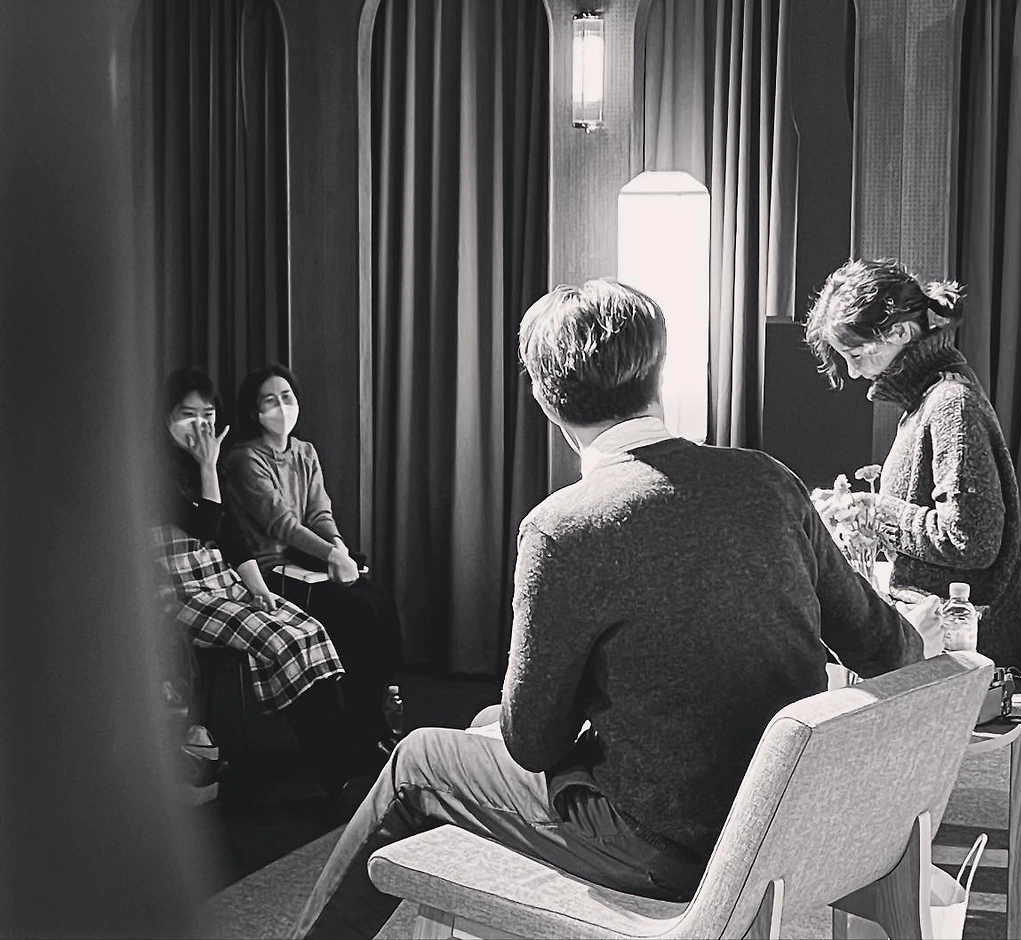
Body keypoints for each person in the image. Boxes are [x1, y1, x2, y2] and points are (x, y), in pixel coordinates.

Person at [290, 279, 943, 939]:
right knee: (485, 728)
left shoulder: (565, 528)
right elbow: (890, 648)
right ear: (659, 372)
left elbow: (532, 743)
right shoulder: (768, 480)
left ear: (545, 396)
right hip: (784, 827)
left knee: (418, 760)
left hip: (668, 848)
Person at [806, 257, 1021, 670]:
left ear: (900, 332)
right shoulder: (928, 400)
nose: (853, 373)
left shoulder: (951, 404)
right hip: (942, 626)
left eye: (856, 355)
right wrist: (864, 511)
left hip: (968, 648)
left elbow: (971, 541)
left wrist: (878, 511)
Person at [154, 368, 370, 796]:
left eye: (208, 414)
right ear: (165, 419)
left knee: (310, 631)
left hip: (223, 580)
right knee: (282, 641)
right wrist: (207, 465)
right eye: (187, 414)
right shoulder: (153, 470)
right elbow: (204, 525)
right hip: (178, 590)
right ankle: (335, 775)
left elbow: (232, 537)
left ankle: (346, 757)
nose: (200, 425)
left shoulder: (209, 464)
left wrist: (258, 588)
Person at [221, 364, 403, 758]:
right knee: (356, 616)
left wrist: (338, 547)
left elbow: (319, 512)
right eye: (270, 400)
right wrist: (333, 556)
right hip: (270, 569)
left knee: (380, 603)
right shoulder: (244, 459)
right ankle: (360, 732)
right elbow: (282, 524)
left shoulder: (305, 452)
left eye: (287, 397)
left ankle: (378, 714)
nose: (281, 407)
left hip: (307, 561)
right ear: (254, 412)